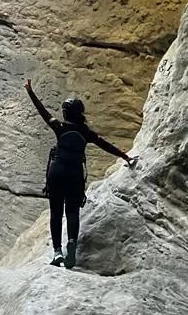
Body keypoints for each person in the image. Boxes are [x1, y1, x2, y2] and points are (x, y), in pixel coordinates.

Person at [25, 79, 137, 269]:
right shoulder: (86, 132)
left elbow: (43, 112)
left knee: (56, 212)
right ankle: (72, 245)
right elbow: (105, 144)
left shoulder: (59, 127)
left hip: (57, 171)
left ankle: (57, 252)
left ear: (65, 113)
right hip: (74, 173)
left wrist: (31, 92)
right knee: (72, 211)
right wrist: (125, 156)